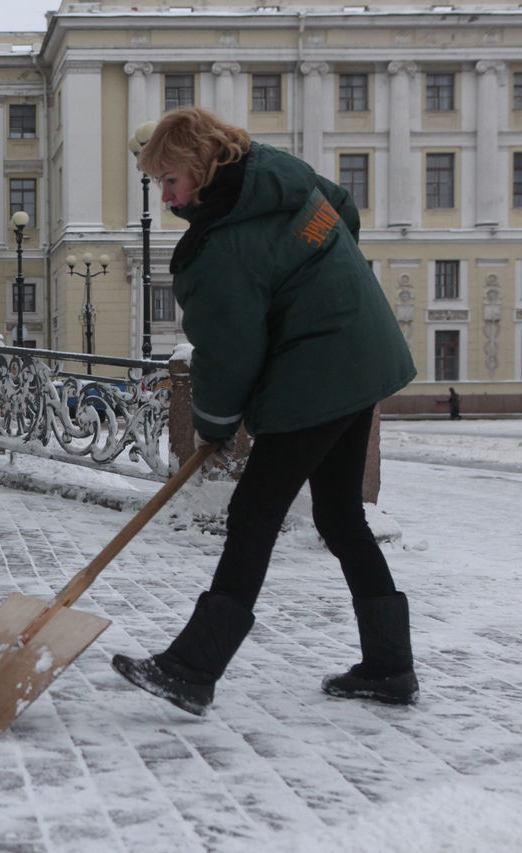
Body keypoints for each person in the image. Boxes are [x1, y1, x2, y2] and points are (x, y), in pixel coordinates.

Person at [111, 107, 419, 715]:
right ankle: (389, 667)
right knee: (339, 514)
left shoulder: (221, 246)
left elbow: (228, 350)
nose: (166, 197)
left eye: (171, 180)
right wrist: (315, 279)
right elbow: (341, 214)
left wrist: (216, 422)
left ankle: (193, 668)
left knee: (253, 511)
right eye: (159, 184)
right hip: (362, 349)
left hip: (320, 370)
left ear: (201, 167)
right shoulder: (283, 177)